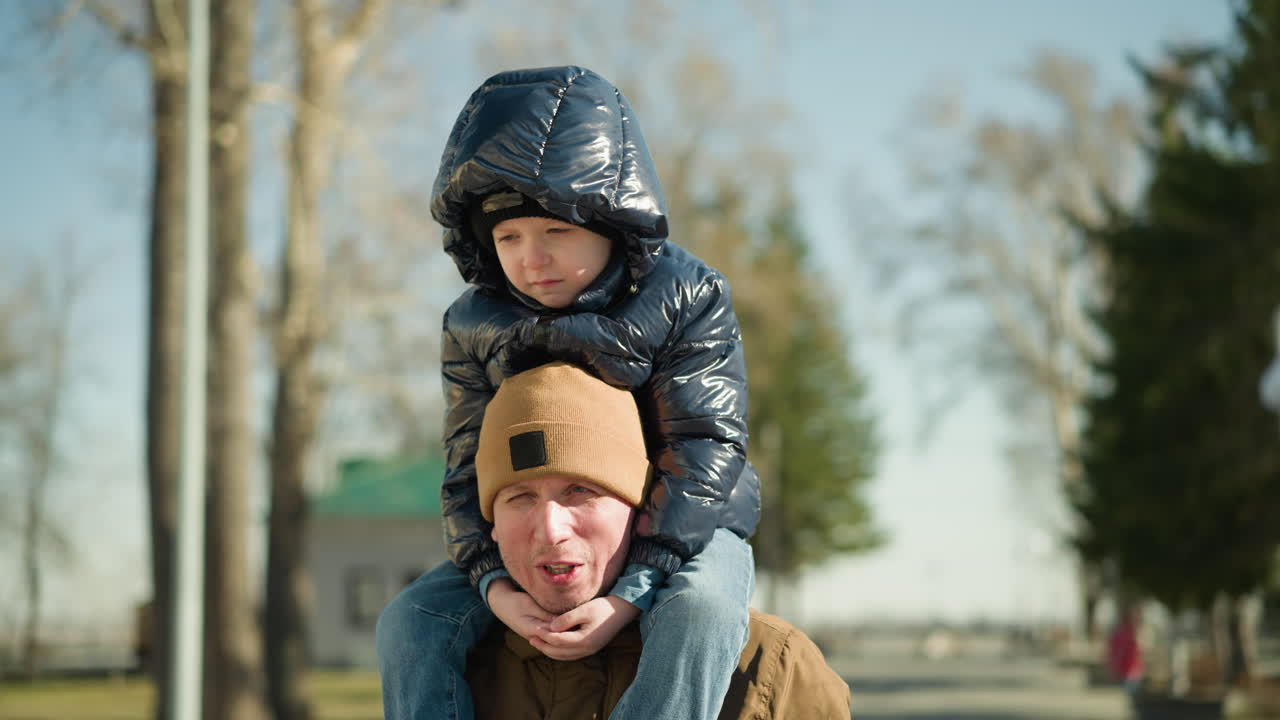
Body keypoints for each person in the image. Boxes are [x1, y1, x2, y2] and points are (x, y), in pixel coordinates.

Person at [376, 66, 761, 720]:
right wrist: (493, 583)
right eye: (507, 238)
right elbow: (467, 464)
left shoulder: (686, 298)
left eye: (556, 233)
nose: (532, 259)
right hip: (537, 540)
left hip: (689, 525)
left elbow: (705, 447)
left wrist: (632, 591)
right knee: (409, 622)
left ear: (613, 222)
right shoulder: (472, 324)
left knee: (700, 616)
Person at [469, 362, 850, 719]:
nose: (552, 530)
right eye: (520, 497)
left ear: (640, 508)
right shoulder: (445, 671)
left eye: (580, 491)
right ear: (492, 524)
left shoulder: (770, 670)